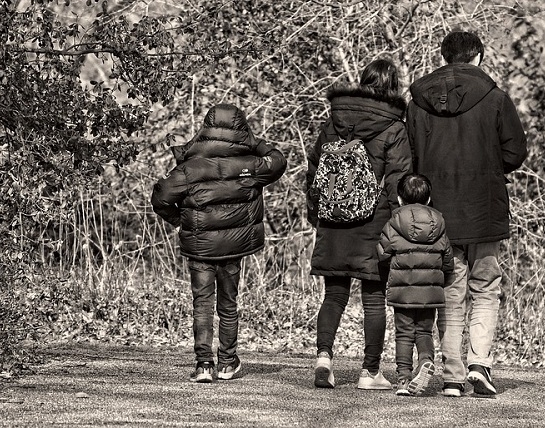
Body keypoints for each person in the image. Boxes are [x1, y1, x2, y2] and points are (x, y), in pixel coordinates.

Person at [405, 31, 528, 397]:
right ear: (478, 57)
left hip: (438, 210)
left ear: (445, 57)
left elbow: (410, 158)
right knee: (486, 288)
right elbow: (515, 152)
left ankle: (453, 376)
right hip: (484, 207)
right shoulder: (495, 98)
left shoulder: (418, 102)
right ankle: (479, 364)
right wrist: (489, 167)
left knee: (450, 291)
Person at [151, 103, 287, 383]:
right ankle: (226, 363)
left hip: (200, 247)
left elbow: (161, 198)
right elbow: (278, 160)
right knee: (228, 304)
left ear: (206, 129)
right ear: (241, 130)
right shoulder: (251, 166)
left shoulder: (189, 167)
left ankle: (203, 365)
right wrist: (254, 142)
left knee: (202, 304)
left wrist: (179, 222)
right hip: (234, 246)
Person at [306, 58, 412, 390]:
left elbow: (315, 170)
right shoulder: (394, 127)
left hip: (333, 217)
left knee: (334, 295)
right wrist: (398, 227)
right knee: (373, 298)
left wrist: (316, 213)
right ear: (393, 87)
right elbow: (397, 180)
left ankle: (324, 359)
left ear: (363, 82)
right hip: (373, 221)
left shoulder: (334, 120)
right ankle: (369, 372)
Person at [377, 173, 453, 396]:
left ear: (400, 199)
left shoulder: (394, 222)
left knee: (404, 333)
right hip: (430, 291)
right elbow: (448, 260)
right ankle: (426, 360)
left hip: (403, 290)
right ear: (428, 199)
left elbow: (382, 253)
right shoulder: (439, 223)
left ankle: (403, 379)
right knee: (424, 331)